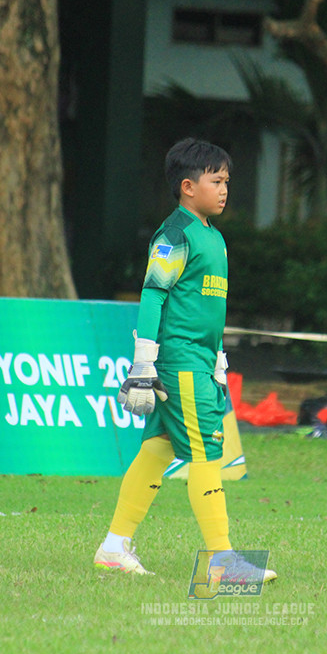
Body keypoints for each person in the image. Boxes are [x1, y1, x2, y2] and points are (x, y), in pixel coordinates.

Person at [94, 138, 276, 584]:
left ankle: (114, 548)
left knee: (157, 451)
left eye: (227, 181)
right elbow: (153, 294)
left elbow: (203, 308)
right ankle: (224, 561)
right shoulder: (174, 234)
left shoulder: (212, 236)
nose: (224, 189)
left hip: (199, 361)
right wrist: (143, 364)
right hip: (180, 364)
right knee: (207, 453)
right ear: (188, 187)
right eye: (216, 181)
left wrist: (216, 357)